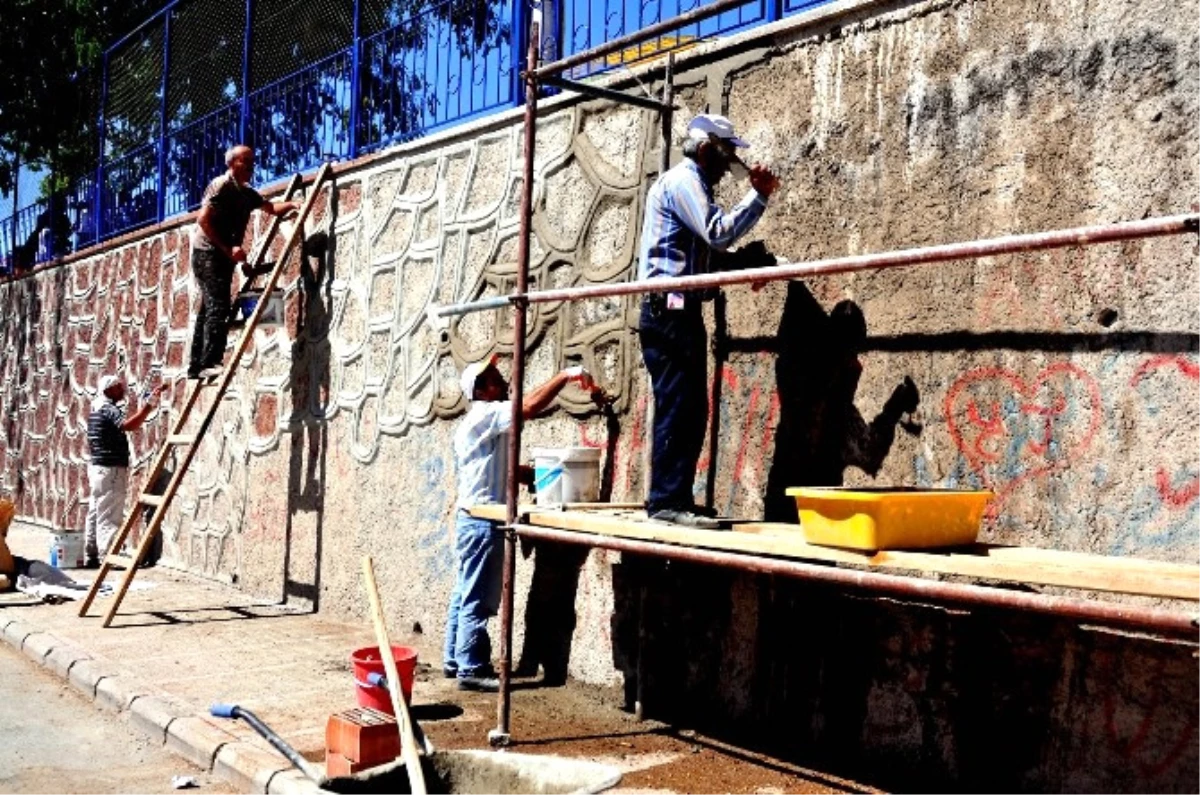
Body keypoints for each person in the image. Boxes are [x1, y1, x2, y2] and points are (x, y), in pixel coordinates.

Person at [637, 113, 781, 529]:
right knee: (680, 404)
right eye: (724, 155)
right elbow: (717, 233)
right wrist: (757, 197)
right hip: (670, 311)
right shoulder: (685, 182)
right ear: (705, 151)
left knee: (688, 407)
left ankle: (673, 498)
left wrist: (746, 264)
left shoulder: (691, 186)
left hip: (680, 311)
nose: (728, 164)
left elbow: (708, 256)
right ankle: (666, 502)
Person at [444, 354, 600, 692]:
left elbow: (500, 469)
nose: (504, 382)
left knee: (464, 589)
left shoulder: (481, 423)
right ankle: (471, 667)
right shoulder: (486, 414)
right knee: (478, 596)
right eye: (496, 379)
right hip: (483, 518)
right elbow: (526, 407)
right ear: (482, 391)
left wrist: (537, 474)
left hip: (474, 516)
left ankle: (454, 659)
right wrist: (566, 375)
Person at [188, 145, 299, 380]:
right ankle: (209, 363)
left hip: (224, 256)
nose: (251, 166)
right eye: (245, 161)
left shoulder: (247, 193)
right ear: (232, 163)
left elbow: (271, 208)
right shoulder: (221, 186)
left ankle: (195, 367)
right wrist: (229, 250)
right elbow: (203, 221)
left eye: (252, 161)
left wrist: (291, 205)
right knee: (219, 306)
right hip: (207, 253)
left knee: (208, 309)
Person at [84, 376, 167, 567]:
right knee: (110, 512)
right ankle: (109, 555)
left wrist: (150, 398)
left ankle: (92, 553)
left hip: (98, 468)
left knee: (96, 510)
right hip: (110, 469)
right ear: (109, 390)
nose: (122, 391)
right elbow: (128, 425)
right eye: (118, 388)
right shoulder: (108, 409)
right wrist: (148, 408)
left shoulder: (96, 406)